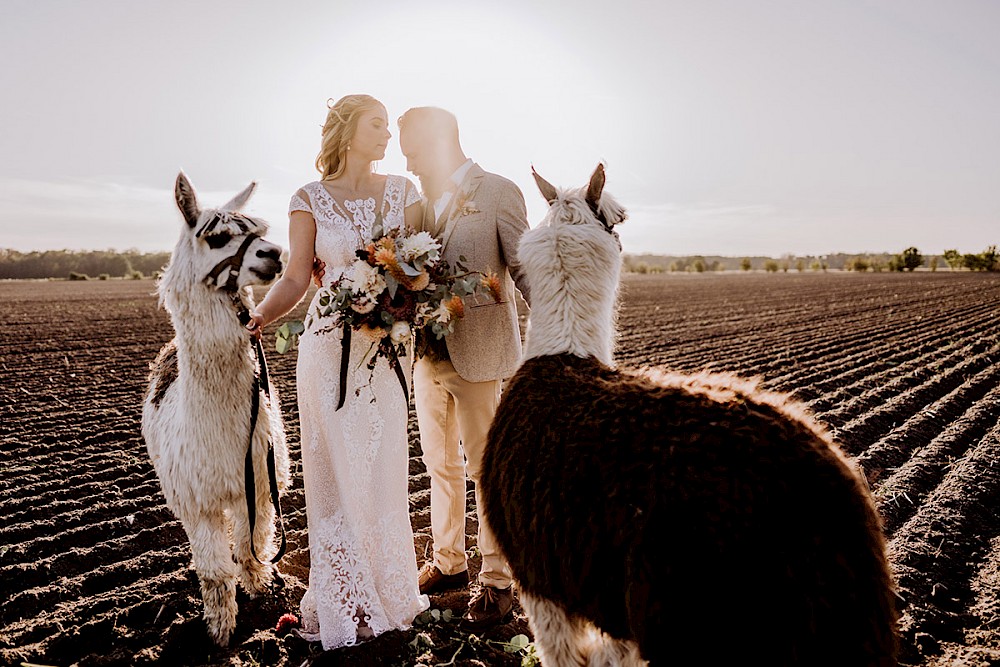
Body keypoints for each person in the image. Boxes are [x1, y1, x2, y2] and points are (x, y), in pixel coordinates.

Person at [245, 94, 429, 649]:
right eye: (378, 125)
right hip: (329, 351)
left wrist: (413, 296)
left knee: (384, 467)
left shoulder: (405, 193)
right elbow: (298, 277)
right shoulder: (308, 199)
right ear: (349, 131)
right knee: (338, 472)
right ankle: (345, 598)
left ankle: (389, 592)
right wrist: (259, 315)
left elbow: (424, 264)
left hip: (389, 350)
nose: (388, 136)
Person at [399, 106, 532, 629]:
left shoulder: (499, 191)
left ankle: (498, 580)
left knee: (484, 471)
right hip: (425, 355)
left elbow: (523, 268)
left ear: (439, 141)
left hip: (480, 356)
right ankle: (450, 564)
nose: (407, 162)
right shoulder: (415, 205)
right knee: (440, 468)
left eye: (413, 150)